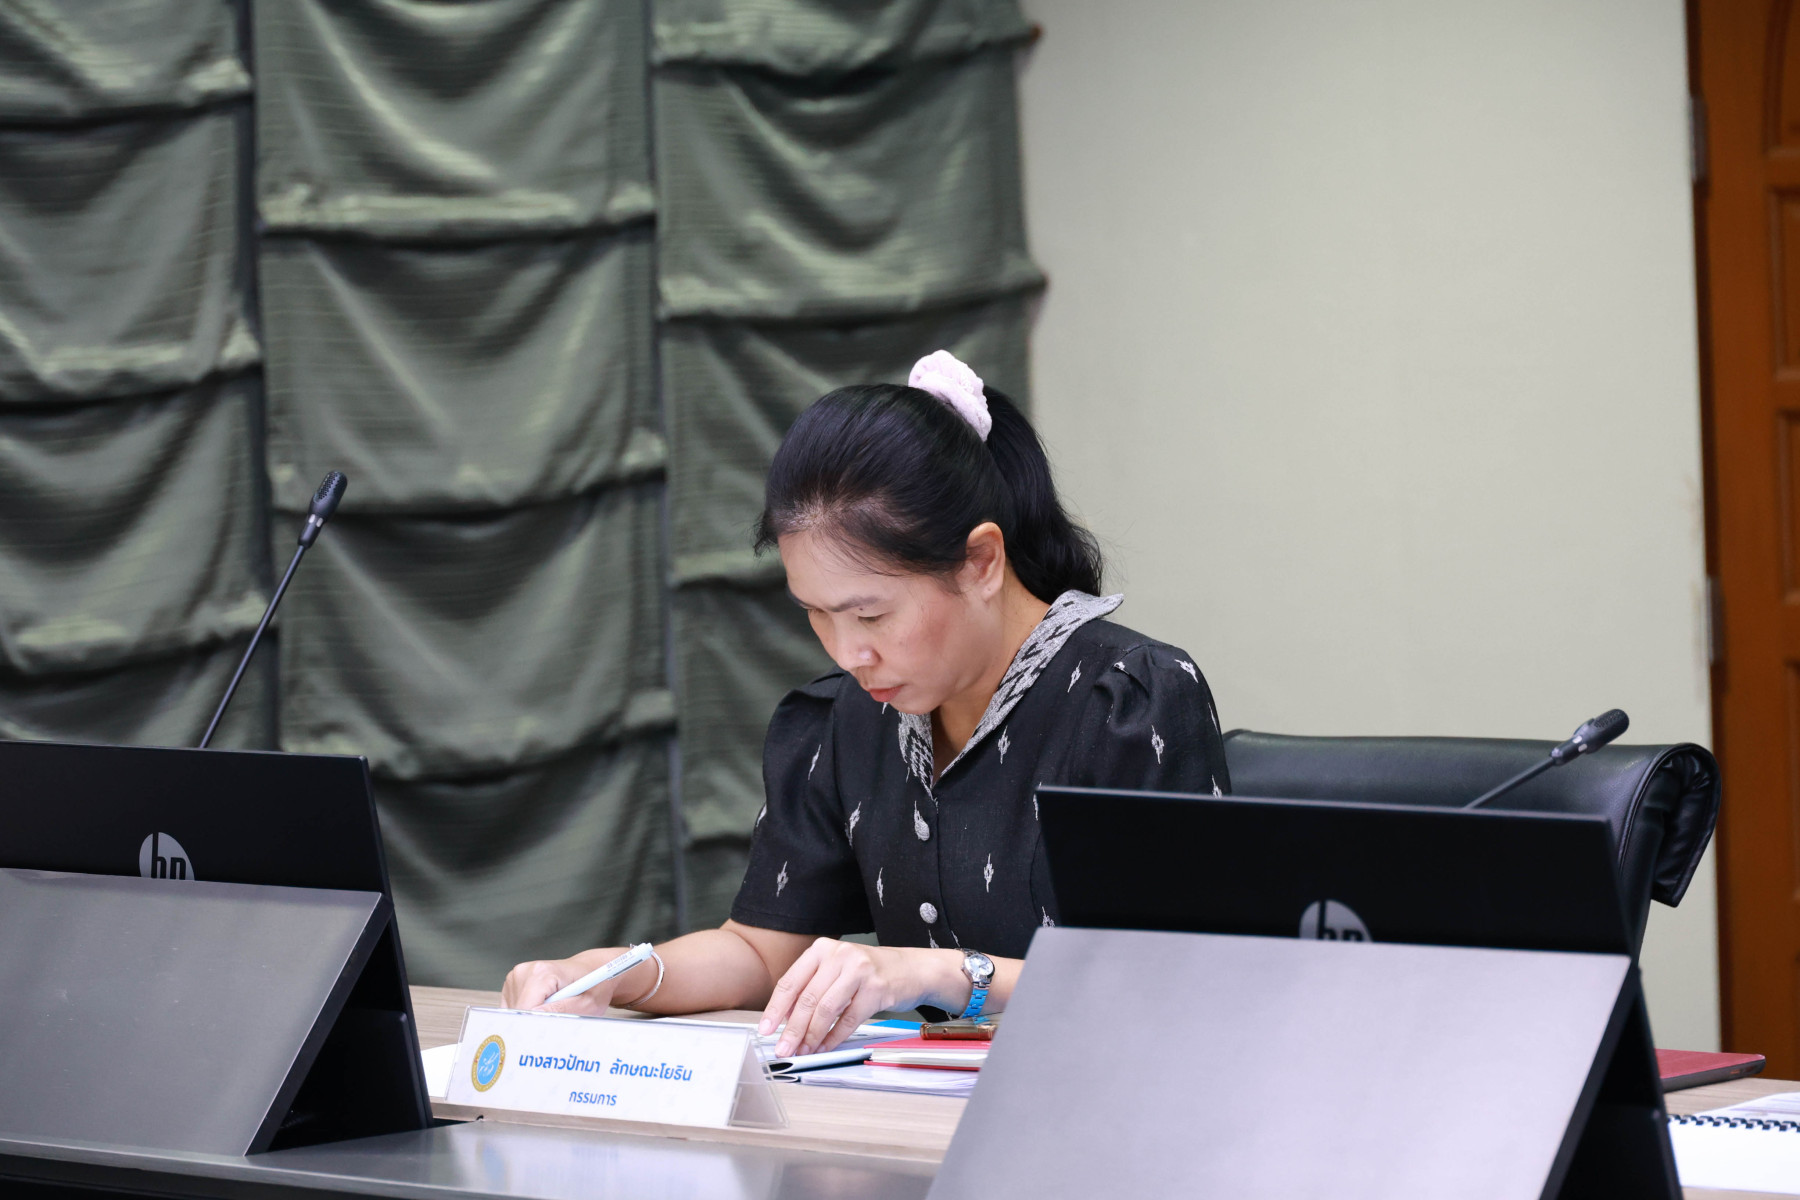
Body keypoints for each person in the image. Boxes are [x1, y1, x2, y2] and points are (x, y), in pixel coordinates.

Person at [503, 350, 1229, 1059]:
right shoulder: (847, 719)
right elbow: (758, 951)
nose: (849, 654)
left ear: (981, 562)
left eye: (871, 615)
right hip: (911, 1117)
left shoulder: (1127, 698)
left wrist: (934, 972)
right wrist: (609, 974)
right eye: (816, 615)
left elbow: (1166, 983)